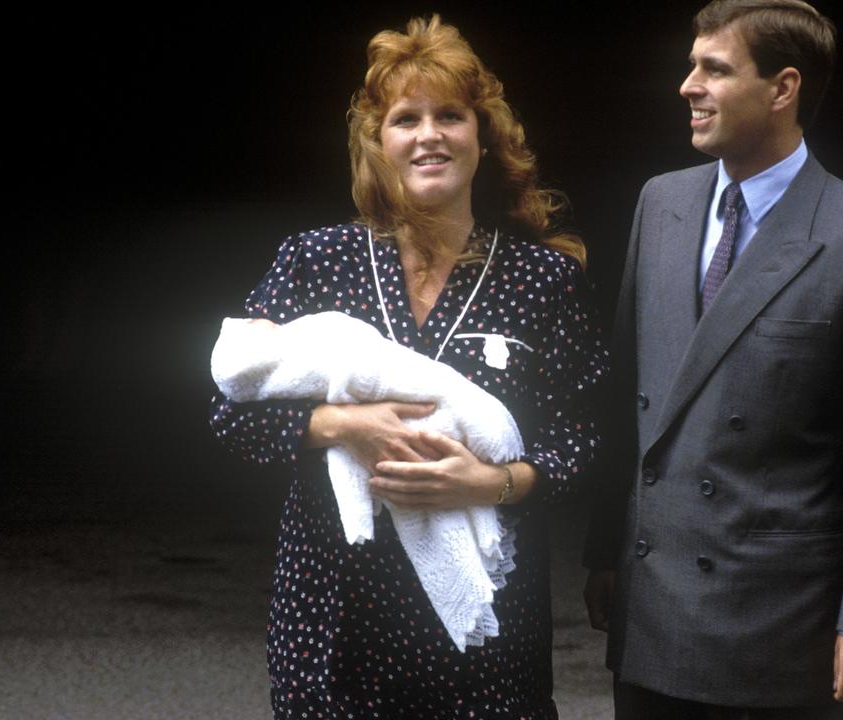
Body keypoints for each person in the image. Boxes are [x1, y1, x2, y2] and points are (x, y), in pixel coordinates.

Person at [210, 15, 606, 719]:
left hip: (487, 640)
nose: (429, 135)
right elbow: (226, 415)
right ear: (378, 143)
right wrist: (341, 424)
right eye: (406, 118)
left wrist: (493, 482)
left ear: (482, 138)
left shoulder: (544, 280)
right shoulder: (315, 261)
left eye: (450, 115)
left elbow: (588, 438)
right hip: (332, 630)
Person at [583, 1, 843, 718]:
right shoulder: (662, 204)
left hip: (778, 628)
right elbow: (628, 395)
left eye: (715, 68)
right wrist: (604, 551)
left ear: (783, 88)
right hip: (652, 607)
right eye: (692, 65)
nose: (688, 85)